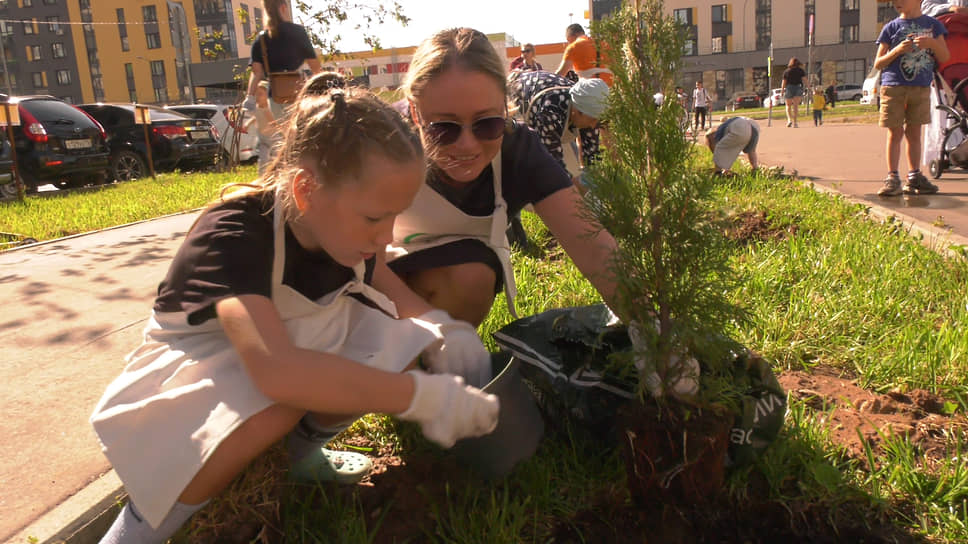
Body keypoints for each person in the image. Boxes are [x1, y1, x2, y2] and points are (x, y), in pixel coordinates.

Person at [91, 75, 500, 544]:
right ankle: (140, 526)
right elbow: (275, 370)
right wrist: (417, 396)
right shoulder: (237, 232)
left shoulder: (336, 225)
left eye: (394, 216)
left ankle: (301, 458)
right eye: (374, 218)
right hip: (193, 362)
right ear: (306, 190)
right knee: (280, 403)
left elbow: (384, 281)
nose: (386, 236)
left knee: (404, 342)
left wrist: (438, 326)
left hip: (283, 341)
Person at [386, 27, 625, 330]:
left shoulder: (519, 148)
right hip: (361, 276)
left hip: (443, 277)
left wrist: (655, 334)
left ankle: (432, 359)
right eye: (444, 127)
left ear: (504, 107)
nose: (467, 145)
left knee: (472, 278)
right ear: (417, 113)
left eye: (487, 123)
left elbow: (594, 249)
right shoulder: (379, 142)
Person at [874, 0, 949, 196]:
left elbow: (945, 56)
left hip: (920, 87)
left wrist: (931, 43)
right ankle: (892, 177)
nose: (896, 3)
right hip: (893, 87)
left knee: (914, 133)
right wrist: (897, 51)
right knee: (895, 132)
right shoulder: (890, 28)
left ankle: (914, 176)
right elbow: (878, 63)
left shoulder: (933, 25)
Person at [243, 0, 322, 173]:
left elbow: (256, 73)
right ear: (283, 7)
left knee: (282, 142)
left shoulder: (262, 39)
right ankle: (302, 176)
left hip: (276, 97)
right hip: (299, 94)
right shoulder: (298, 32)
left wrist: (249, 98)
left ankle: (279, 178)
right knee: (301, 140)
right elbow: (315, 66)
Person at [507, 70, 609, 193]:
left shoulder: (587, 108)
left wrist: (597, 185)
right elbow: (554, 166)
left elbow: (592, 157)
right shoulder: (551, 112)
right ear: (577, 111)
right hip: (515, 94)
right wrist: (583, 193)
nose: (594, 126)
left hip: (545, 91)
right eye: (592, 120)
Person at [781, 58, 806, 127]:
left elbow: (784, 82)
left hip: (789, 88)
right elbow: (804, 80)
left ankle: (789, 120)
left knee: (788, 105)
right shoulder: (801, 71)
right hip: (798, 87)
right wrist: (809, 87)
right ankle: (795, 122)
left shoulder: (786, 71)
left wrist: (782, 91)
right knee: (795, 106)